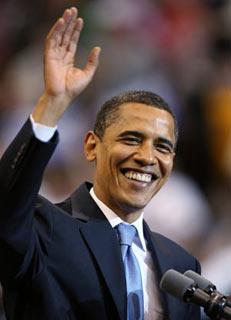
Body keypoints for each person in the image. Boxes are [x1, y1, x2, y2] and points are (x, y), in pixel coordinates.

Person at [0, 7, 201, 320]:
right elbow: (5, 208)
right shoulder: (46, 229)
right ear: (92, 146)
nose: (147, 157)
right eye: (132, 139)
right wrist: (53, 102)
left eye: (162, 146)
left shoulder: (181, 266)